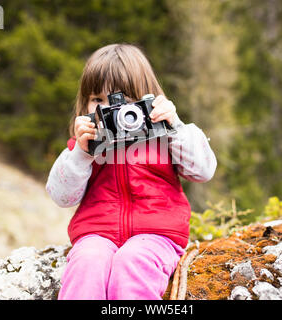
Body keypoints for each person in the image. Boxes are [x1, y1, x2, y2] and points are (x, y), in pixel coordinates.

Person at [46, 43, 217, 300]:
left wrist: (176, 126)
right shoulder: (84, 147)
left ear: (147, 100)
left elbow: (203, 171)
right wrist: (81, 153)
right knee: (86, 263)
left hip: (156, 235)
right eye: (97, 100)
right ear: (84, 105)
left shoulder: (164, 137)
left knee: (131, 262)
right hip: (96, 236)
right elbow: (61, 196)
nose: (110, 111)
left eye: (124, 102)